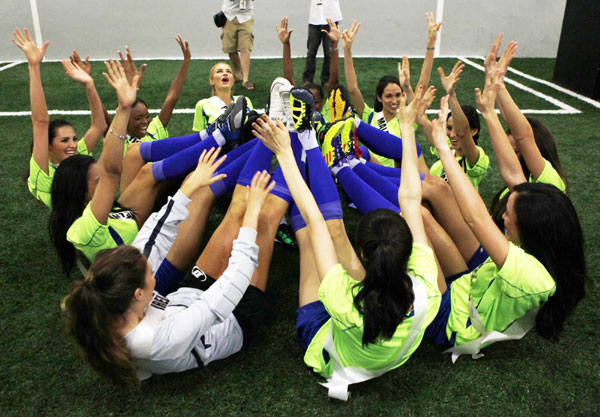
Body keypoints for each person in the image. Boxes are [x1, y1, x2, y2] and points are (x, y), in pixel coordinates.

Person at [252, 86, 442, 400]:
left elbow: (316, 222)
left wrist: (285, 153)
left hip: (329, 347)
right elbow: (410, 199)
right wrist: (407, 129)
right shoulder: (427, 286)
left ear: (364, 254)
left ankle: (307, 142)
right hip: (375, 342)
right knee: (323, 233)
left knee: (312, 240)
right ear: (409, 251)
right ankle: (309, 138)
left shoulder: (345, 301)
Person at [62, 165, 275, 386]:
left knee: (237, 209)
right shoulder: (157, 342)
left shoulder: (112, 305)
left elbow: (151, 240)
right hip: (234, 320)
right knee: (265, 214)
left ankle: (281, 136)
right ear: (138, 294)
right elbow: (233, 281)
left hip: (189, 296)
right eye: (150, 273)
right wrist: (253, 214)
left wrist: (190, 186)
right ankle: (297, 148)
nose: (153, 269)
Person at [423, 76, 586, 360]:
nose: (504, 218)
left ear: (531, 229)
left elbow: (477, 219)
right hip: (471, 283)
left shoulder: (534, 275)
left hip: (449, 321)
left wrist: (442, 151)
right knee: (423, 213)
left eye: (509, 216)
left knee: (414, 218)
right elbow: (512, 176)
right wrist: (489, 110)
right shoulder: (540, 218)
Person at [11, 28, 107, 208]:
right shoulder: (42, 174)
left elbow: (99, 127)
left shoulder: (75, 156)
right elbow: (40, 122)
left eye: (73, 139)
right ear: (48, 145)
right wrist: (34, 66)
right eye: (64, 140)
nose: (72, 144)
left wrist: (89, 84)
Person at [342, 15, 440, 170]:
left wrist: (431, 43)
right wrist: (347, 50)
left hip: (398, 178)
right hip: (374, 171)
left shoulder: (406, 117)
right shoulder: (369, 115)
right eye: (388, 96)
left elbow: (422, 84)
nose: (394, 100)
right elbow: (353, 89)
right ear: (379, 98)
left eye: (398, 95)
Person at [417, 61, 490, 190]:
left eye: (456, 129)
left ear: (473, 131)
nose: (452, 135)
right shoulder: (448, 149)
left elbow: (463, 131)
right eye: (449, 128)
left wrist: (452, 95)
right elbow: (422, 120)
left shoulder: (476, 158)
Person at [192, 62, 254, 133]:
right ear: (211, 81)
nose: (225, 73)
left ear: (233, 80)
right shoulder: (202, 105)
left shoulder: (245, 100)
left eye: (229, 71)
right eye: (219, 71)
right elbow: (199, 137)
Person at [302, 0, 342, 86]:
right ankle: (308, 79)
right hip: (315, 18)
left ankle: (327, 80)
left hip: (331, 17)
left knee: (329, 52)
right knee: (311, 51)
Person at [220, 0, 255, 90]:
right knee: (229, 47)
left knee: (245, 47)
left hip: (245, 16)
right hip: (229, 15)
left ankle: (246, 80)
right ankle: (238, 73)